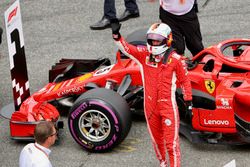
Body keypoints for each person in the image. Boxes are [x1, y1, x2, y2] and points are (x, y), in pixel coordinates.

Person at [111, 20, 192, 167]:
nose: (154, 44)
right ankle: (162, 164)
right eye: (151, 40)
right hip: (150, 106)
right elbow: (127, 49)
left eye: (157, 40)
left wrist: (188, 100)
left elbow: (185, 81)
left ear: (167, 40)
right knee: (156, 140)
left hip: (168, 107)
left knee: (171, 143)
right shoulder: (144, 55)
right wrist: (117, 35)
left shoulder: (176, 60)